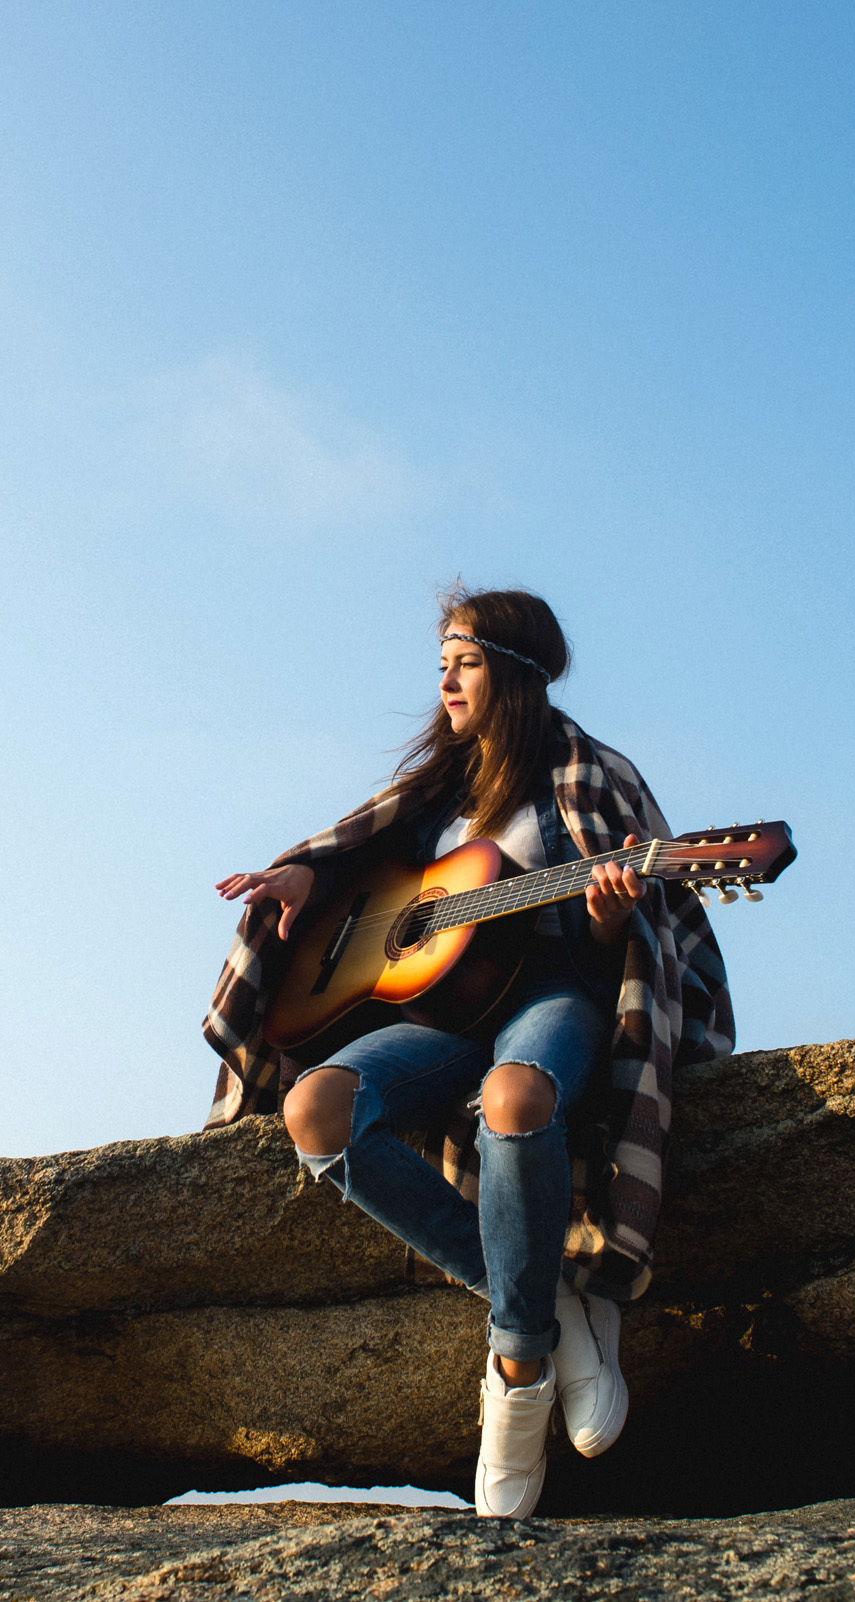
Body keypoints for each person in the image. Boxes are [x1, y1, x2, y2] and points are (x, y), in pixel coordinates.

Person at [203, 586, 735, 1518]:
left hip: (554, 995)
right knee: (315, 1112)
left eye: (468, 660)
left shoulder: (590, 774)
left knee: (516, 1101)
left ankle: (516, 1368)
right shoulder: (436, 792)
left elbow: (636, 950)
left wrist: (614, 916)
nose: (446, 677)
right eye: (444, 660)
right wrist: (304, 872)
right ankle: (551, 1303)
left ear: (516, 675)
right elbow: (365, 871)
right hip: (445, 1021)